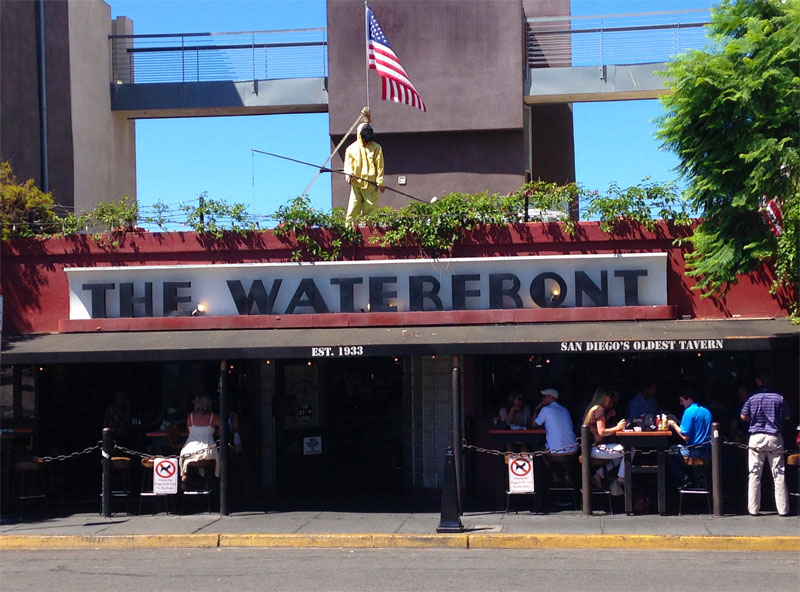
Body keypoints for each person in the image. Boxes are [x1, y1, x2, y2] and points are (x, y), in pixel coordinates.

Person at [740, 370, 790, 517]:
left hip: (756, 436)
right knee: (778, 473)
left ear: (758, 381)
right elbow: (787, 417)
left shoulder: (752, 397)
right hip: (774, 436)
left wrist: (754, 421)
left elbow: (743, 416)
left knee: (754, 473)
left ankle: (753, 509)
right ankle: (783, 509)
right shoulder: (779, 397)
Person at [583, 387, 627, 493]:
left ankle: (598, 475)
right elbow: (601, 431)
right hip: (596, 449)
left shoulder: (593, 408)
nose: (611, 399)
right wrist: (618, 427)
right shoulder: (599, 409)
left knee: (619, 457)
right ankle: (621, 478)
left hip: (590, 448)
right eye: (609, 396)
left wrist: (607, 416)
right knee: (630, 450)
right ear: (603, 397)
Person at [666, 388, 712, 486]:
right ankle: (696, 479)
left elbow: (685, 436)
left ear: (689, 399)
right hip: (707, 451)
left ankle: (684, 479)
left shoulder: (688, 411)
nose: (681, 403)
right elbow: (694, 426)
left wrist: (674, 424)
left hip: (693, 451)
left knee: (670, 451)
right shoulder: (706, 411)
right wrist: (677, 420)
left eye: (682, 400)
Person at [344, 123, 385, 228]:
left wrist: (380, 181)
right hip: (356, 183)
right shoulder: (351, 149)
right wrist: (349, 174)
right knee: (353, 209)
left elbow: (379, 166)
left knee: (371, 210)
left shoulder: (376, 148)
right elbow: (348, 164)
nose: (366, 141)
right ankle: (349, 233)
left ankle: (371, 233)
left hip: (371, 184)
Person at [179, 395, 221, 482]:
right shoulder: (213, 417)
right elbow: (224, 428)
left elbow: (188, 429)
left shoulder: (190, 416)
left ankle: (184, 477)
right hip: (209, 452)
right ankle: (214, 479)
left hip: (190, 451)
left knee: (183, 456)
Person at [532, 388, 578, 454]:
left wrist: (536, 410)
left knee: (537, 449)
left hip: (556, 450)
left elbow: (533, 425)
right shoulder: (565, 409)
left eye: (544, 396)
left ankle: (546, 464)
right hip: (573, 449)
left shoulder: (546, 409)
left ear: (551, 397)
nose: (542, 399)